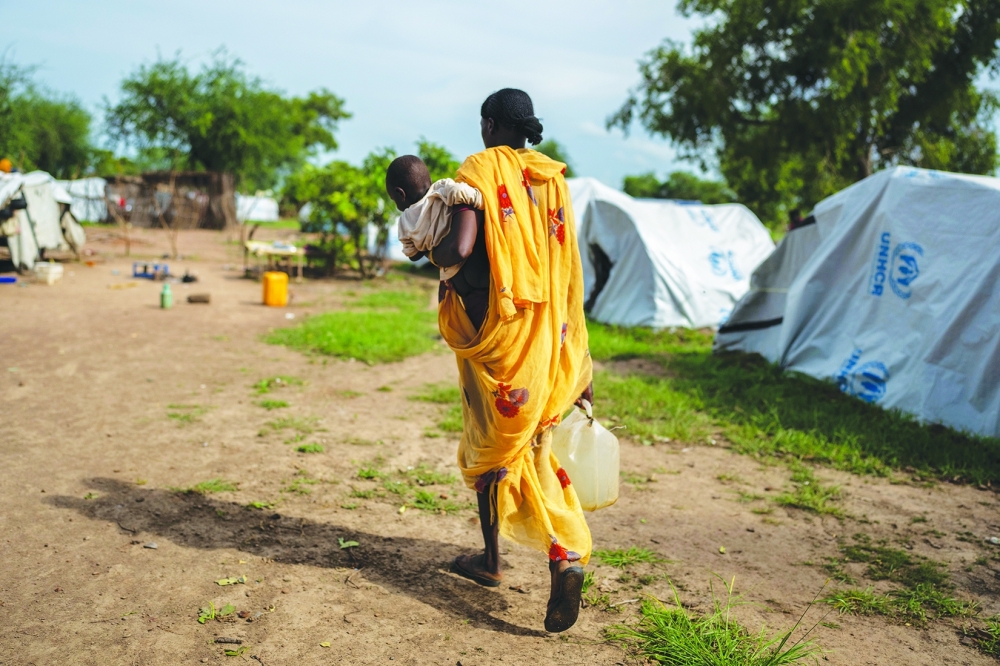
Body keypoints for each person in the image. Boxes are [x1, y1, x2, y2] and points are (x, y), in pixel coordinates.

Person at [431, 88, 594, 633]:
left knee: (490, 450)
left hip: (498, 339)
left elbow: (458, 249)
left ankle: (514, 558)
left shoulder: (477, 168)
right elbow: (568, 272)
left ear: (488, 123)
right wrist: (579, 361)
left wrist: (426, 248)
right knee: (534, 446)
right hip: (549, 340)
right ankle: (545, 557)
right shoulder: (553, 178)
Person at [385, 155, 483, 280]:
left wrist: (427, 246)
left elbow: (412, 255)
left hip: (453, 275)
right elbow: (472, 195)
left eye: (394, 200)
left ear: (400, 194)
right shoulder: (444, 190)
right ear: (430, 180)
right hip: (474, 267)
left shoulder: (405, 221)